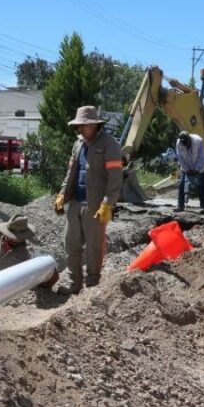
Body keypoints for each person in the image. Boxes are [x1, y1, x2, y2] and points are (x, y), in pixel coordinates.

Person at [54, 106, 123, 294]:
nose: (80, 129)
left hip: (95, 206)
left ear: (94, 124)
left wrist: (108, 203)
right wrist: (62, 194)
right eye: (79, 125)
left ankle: (92, 283)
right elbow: (71, 173)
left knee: (94, 247)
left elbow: (115, 177)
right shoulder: (78, 144)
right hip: (75, 202)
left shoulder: (109, 144)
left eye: (84, 125)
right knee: (71, 244)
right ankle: (74, 282)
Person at [175, 130, 204, 212]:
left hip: (199, 167)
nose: (187, 146)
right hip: (186, 167)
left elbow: (202, 157)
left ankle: (203, 207)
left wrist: (196, 169)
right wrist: (186, 169)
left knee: (202, 186)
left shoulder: (198, 141)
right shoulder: (179, 143)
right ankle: (180, 206)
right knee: (182, 184)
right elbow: (180, 158)